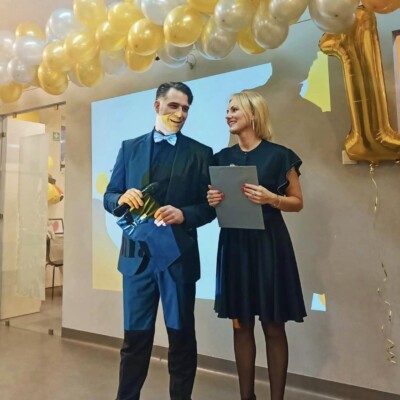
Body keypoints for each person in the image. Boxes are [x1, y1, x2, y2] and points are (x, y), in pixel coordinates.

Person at [103, 82, 215, 400]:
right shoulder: (129, 148)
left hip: (177, 260)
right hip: (136, 261)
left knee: (181, 340)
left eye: (185, 108)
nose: (180, 114)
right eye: (174, 106)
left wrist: (184, 214)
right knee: (134, 342)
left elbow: (210, 207)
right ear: (157, 106)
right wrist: (120, 197)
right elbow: (110, 196)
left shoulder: (201, 153)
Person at [207, 90, 307, 400]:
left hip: (269, 246)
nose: (228, 115)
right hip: (234, 246)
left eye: (234, 109)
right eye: (227, 110)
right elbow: (215, 203)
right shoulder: (220, 159)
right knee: (240, 326)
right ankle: (246, 397)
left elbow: (297, 202)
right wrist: (212, 199)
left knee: (274, 326)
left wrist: (271, 198)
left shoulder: (280, 155)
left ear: (253, 114)